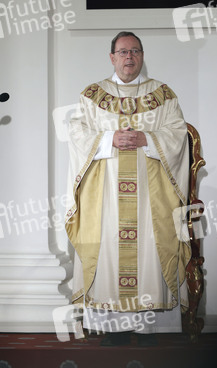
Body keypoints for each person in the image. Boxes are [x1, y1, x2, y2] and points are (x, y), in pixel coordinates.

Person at [65, 31, 191, 346]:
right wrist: (108, 140)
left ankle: (153, 326)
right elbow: (77, 133)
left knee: (151, 247)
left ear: (142, 55)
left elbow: (178, 133)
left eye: (135, 51)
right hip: (105, 198)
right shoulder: (92, 94)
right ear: (112, 57)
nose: (129, 57)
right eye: (122, 52)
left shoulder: (162, 94)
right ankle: (112, 327)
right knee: (107, 249)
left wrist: (148, 139)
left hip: (152, 199)